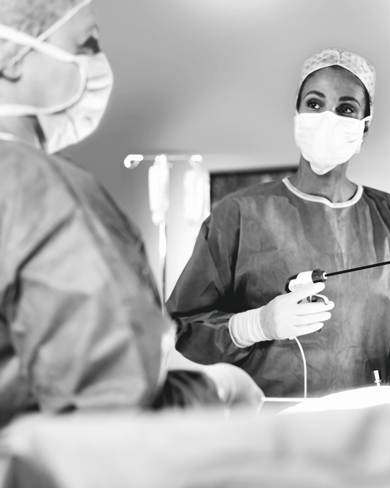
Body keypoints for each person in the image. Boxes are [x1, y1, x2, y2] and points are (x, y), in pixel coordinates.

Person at [0, 0, 262, 428]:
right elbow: (114, 418)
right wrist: (218, 391)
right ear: (10, 57)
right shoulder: (39, 190)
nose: (98, 65)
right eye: (86, 44)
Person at [167, 48, 390, 399]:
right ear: (297, 114)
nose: (328, 118)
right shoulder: (238, 214)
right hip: (260, 422)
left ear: (364, 128)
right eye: (314, 104)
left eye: (346, 108)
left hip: (359, 425)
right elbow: (186, 324)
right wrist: (254, 324)